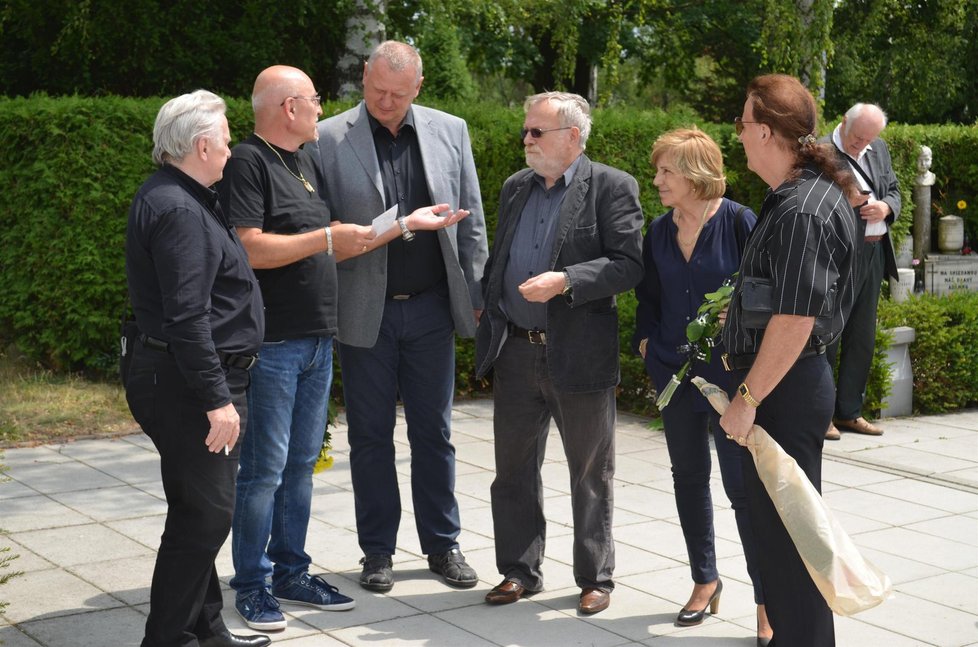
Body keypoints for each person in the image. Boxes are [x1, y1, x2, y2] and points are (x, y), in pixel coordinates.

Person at [219, 65, 468, 630]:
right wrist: (329, 237)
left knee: (302, 464)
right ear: (288, 107)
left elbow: (336, 240)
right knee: (264, 471)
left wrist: (405, 224)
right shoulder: (248, 162)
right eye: (311, 99)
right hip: (275, 341)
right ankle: (253, 583)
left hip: (315, 337)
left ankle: (290, 570)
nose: (320, 106)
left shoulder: (303, 159)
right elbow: (250, 248)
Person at [313, 41, 488, 593]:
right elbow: (317, 228)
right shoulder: (326, 137)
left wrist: (477, 291)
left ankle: (443, 545)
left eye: (397, 93)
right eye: (376, 90)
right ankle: (377, 553)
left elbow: (473, 217)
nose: (385, 102)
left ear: (418, 85)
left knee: (434, 433)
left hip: (433, 308)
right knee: (369, 437)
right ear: (363, 77)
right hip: (365, 310)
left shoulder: (450, 129)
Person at [474, 91, 644, 615]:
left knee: (590, 472)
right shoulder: (515, 188)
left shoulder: (611, 186)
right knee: (513, 471)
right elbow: (501, 255)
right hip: (517, 352)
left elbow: (629, 263)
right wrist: (487, 304)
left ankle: (596, 577)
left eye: (536, 132)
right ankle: (519, 571)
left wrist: (567, 279)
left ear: (572, 137)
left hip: (578, 353)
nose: (526, 140)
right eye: (525, 130)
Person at [125, 90, 269, 647]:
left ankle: (207, 632)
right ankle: (167, 639)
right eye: (228, 143)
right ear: (203, 144)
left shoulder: (182, 194)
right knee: (206, 517)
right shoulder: (180, 208)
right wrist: (217, 399)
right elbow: (187, 317)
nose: (232, 153)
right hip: (191, 385)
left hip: (185, 377)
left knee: (197, 510)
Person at [721, 74, 860, 647]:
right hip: (788, 385)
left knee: (790, 550)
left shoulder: (802, 208)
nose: (738, 135)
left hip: (783, 390)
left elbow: (795, 320)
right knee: (785, 546)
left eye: (743, 123)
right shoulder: (802, 195)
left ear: (767, 131)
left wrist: (747, 400)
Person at [632, 127, 770, 643]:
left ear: (696, 174)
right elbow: (648, 300)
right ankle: (704, 580)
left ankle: (765, 599)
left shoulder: (738, 222)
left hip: (732, 381)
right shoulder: (658, 231)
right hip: (674, 377)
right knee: (687, 479)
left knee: (743, 491)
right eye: (659, 169)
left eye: (667, 171)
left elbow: (765, 296)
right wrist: (647, 343)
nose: (657, 179)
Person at [820, 103, 901, 440]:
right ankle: (821, 415)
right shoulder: (821, 152)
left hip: (874, 252)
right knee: (829, 337)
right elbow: (813, 200)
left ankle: (849, 412)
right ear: (843, 123)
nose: (860, 146)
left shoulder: (878, 147)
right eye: (856, 139)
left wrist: (885, 207)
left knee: (862, 337)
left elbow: (894, 191)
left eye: (867, 140)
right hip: (839, 256)